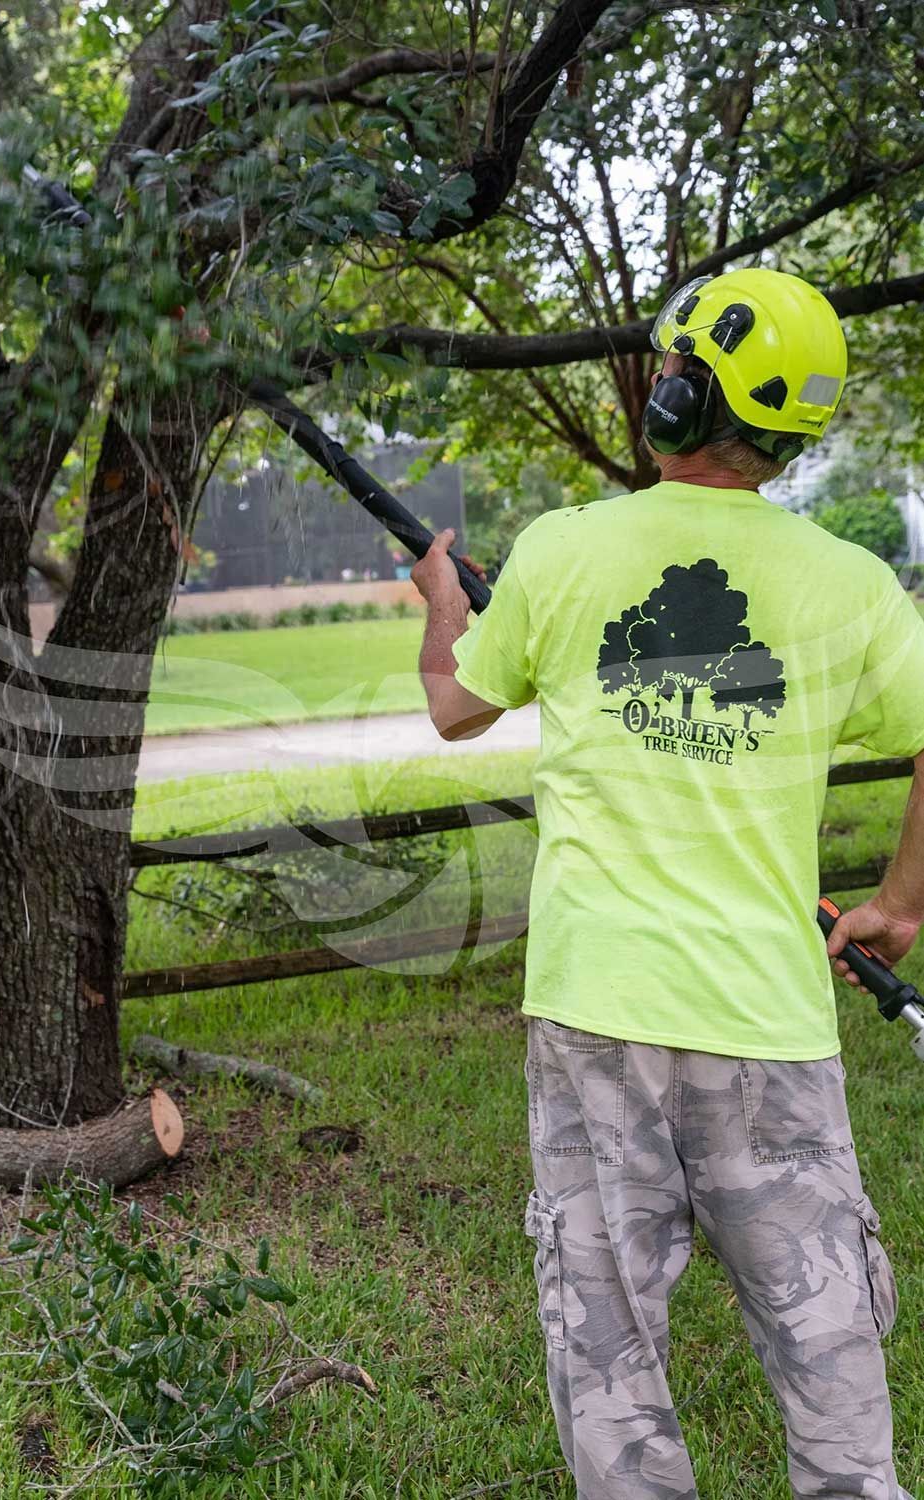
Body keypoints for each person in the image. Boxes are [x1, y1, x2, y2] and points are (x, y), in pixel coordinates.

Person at [410, 268, 924, 1500]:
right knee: (827, 1348)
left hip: (596, 1019)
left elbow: (451, 706)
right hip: (768, 1029)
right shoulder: (851, 585)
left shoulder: (561, 552)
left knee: (609, 1351)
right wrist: (900, 904)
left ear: (679, 397)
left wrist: (441, 607)